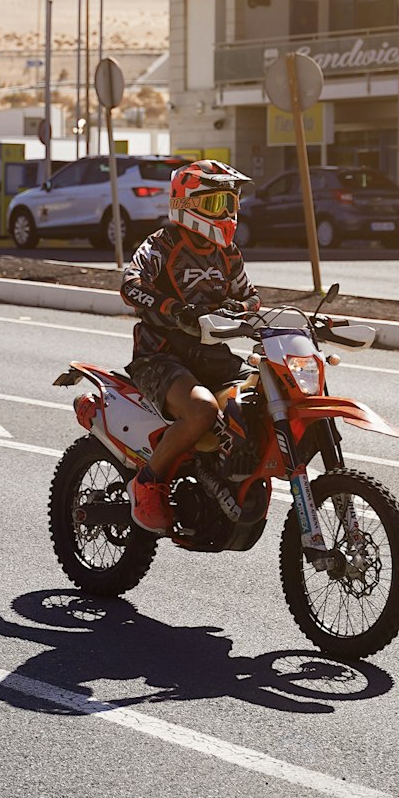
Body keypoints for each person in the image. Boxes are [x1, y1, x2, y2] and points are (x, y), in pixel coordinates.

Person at [120, 159, 261, 534]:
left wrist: (240, 308)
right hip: (159, 357)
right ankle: (148, 481)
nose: (228, 214)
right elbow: (130, 286)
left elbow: (251, 298)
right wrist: (174, 310)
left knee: (265, 390)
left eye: (232, 203)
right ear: (186, 204)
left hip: (211, 357)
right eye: (218, 204)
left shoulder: (228, 254)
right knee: (200, 410)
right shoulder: (162, 245)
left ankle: (225, 471)